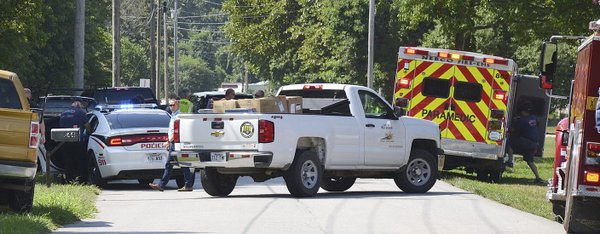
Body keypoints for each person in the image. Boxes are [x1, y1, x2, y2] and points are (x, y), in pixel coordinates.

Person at [150, 98, 195, 191]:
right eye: (169, 105)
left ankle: (162, 185)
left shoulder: (178, 116)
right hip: (173, 142)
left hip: (176, 143)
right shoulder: (173, 115)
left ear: (178, 105)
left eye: (173, 105)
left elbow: (176, 131)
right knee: (180, 164)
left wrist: (169, 142)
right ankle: (187, 185)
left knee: (174, 164)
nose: (171, 107)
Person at [508, 102, 544, 184]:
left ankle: (510, 162)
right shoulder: (533, 118)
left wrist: (508, 128)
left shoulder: (521, 120)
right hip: (535, 143)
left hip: (527, 142)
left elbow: (513, 130)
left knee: (510, 143)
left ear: (523, 112)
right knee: (530, 161)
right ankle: (538, 178)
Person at [59, 101, 90, 182]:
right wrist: (90, 133)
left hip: (64, 140)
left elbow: (60, 125)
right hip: (77, 141)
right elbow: (88, 127)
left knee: (68, 160)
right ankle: (81, 178)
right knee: (80, 159)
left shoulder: (63, 113)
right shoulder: (81, 112)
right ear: (79, 106)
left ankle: (69, 178)